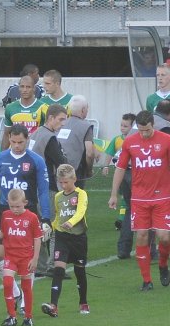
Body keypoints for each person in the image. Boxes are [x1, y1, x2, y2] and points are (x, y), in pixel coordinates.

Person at [0, 124, 52, 314]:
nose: (17, 145)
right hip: (5, 211)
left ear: (27, 140)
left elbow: (44, 191)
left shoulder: (36, 161)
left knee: (27, 259)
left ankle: (23, 303)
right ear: (9, 139)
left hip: (28, 211)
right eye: (13, 142)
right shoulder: (0, 159)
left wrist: (46, 218)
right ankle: (16, 292)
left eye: (21, 142)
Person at [108, 110, 170, 291]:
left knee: (164, 238)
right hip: (139, 198)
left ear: (153, 125)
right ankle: (146, 280)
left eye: (147, 130)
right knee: (142, 236)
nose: (144, 134)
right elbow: (120, 168)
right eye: (141, 130)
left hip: (163, 197)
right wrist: (114, 194)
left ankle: (163, 265)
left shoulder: (166, 140)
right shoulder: (130, 142)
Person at [41, 164, 90, 319]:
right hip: (62, 237)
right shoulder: (58, 197)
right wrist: (49, 228)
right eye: (60, 182)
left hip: (78, 238)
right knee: (58, 269)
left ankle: (83, 302)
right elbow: (58, 217)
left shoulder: (81, 194)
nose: (63, 185)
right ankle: (53, 305)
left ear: (74, 179)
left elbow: (81, 211)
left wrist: (72, 222)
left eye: (66, 182)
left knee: (79, 271)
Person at [28, 103, 69, 275]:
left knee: (37, 227)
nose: (63, 123)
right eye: (60, 119)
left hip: (30, 187)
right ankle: (53, 265)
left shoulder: (35, 134)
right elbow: (61, 162)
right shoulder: (50, 138)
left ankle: (40, 265)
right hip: (47, 187)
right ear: (50, 118)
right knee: (53, 226)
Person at [0, 188, 42, 326]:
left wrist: (35, 259)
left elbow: (37, 238)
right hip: (10, 256)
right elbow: (2, 233)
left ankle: (28, 317)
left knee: (26, 287)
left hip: (26, 257)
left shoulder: (32, 217)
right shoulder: (5, 215)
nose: (15, 209)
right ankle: (12, 315)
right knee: (7, 283)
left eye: (18, 206)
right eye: (12, 206)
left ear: (25, 203)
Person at [101, 113, 136, 259]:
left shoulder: (126, 140)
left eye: (125, 125)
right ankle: (150, 250)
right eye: (121, 125)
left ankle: (123, 249)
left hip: (122, 173)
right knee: (144, 209)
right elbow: (110, 153)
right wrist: (105, 165)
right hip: (132, 173)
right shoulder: (129, 140)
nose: (122, 128)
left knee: (129, 208)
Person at [0, 74, 48, 150]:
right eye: (22, 86)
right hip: (16, 150)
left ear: (34, 88)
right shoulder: (10, 107)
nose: (25, 90)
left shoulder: (43, 107)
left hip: (36, 151)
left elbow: (48, 134)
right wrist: (2, 155)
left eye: (28, 87)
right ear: (19, 88)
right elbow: (6, 134)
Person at [58, 95, 95, 189]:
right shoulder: (86, 126)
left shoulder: (60, 123)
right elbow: (89, 153)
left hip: (58, 168)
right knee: (75, 199)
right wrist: (89, 170)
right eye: (87, 108)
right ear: (83, 110)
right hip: (75, 170)